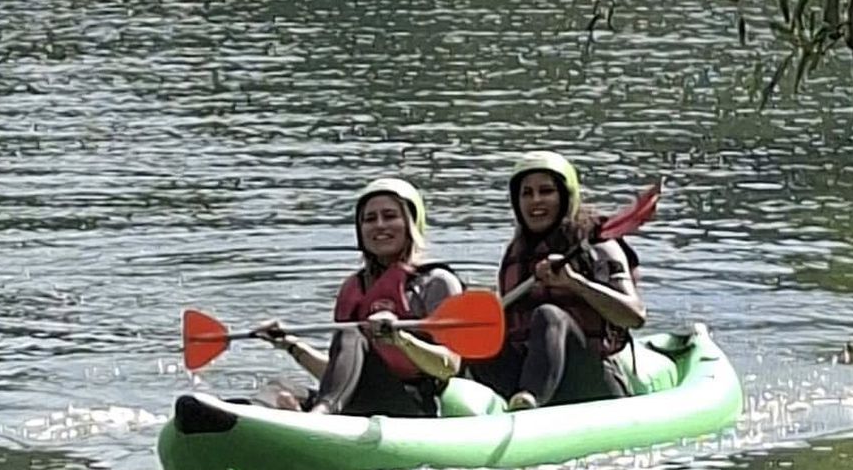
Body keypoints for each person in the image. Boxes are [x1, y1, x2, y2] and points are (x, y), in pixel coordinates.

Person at [254, 178, 464, 417]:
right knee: (279, 390)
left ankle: (320, 416)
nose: (380, 225)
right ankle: (236, 417)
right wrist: (289, 344)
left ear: (411, 223)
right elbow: (338, 376)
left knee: (352, 332)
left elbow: (449, 367)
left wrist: (400, 338)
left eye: (390, 216)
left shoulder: (437, 282)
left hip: (415, 402)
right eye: (370, 219)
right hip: (357, 401)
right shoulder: (353, 287)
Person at [475, 151, 646, 411]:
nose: (536, 201)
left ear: (565, 197)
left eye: (546, 191)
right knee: (474, 337)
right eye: (527, 193)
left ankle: (529, 403)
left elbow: (634, 316)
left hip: (590, 381)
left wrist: (575, 282)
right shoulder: (515, 254)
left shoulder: (599, 246)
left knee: (549, 316)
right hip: (525, 373)